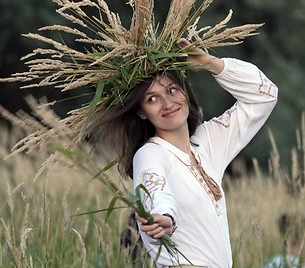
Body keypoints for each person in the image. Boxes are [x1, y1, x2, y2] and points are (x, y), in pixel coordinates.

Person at [93, 38, 278, 267]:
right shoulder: (151, 153)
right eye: (152, 99)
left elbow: (265, 94)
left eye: (172, 90)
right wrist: (164, 218)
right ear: (141, 112)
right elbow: (155, 189)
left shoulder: (207, 142)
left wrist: (209, 63)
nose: (167, 103)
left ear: (186, 93)